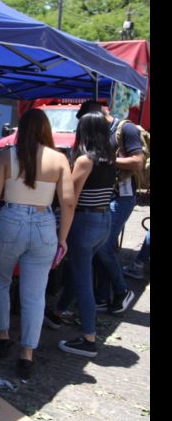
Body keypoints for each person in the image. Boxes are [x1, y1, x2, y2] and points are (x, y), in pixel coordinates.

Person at [0, 108, 75, 378]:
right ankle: (27, 354)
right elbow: (68, 202)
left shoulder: (7, 155)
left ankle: (1, 334)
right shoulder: (59, 159)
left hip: (12, 220)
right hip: (45, 224)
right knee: (35, 294)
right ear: (46, 129)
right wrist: (63, 238)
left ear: (21, 128)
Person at [43, 112, 116, 358]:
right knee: (80, 272)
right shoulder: (109, 158)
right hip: (103, 221)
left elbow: (69, 200)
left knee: (84, 282)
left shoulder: (86, 160)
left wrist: (62, 234)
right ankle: (58, 312)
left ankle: (88, 338)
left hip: (85, 223)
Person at [78, 101, 143, 315]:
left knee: (103, 246)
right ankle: (102, 297)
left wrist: (108, 159)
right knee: (102, 247)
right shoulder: (103, 132)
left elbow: (137, 161)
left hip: (121, 197)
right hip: (104, 197)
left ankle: (122, 290)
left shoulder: (127, 129)